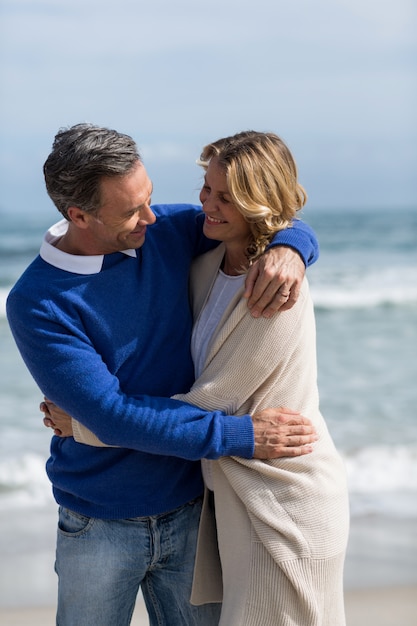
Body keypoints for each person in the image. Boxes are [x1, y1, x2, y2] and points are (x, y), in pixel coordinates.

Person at [6, 123, 319, 626]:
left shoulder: (160, 231)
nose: (152, 216)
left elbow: (257, 217)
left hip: (194, 511)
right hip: (100, 522)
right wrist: (242, 435)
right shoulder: (38, 303)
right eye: (131, 209)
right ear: (78, 215)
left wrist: (294, 248)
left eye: (149, 198)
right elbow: (113, 417)